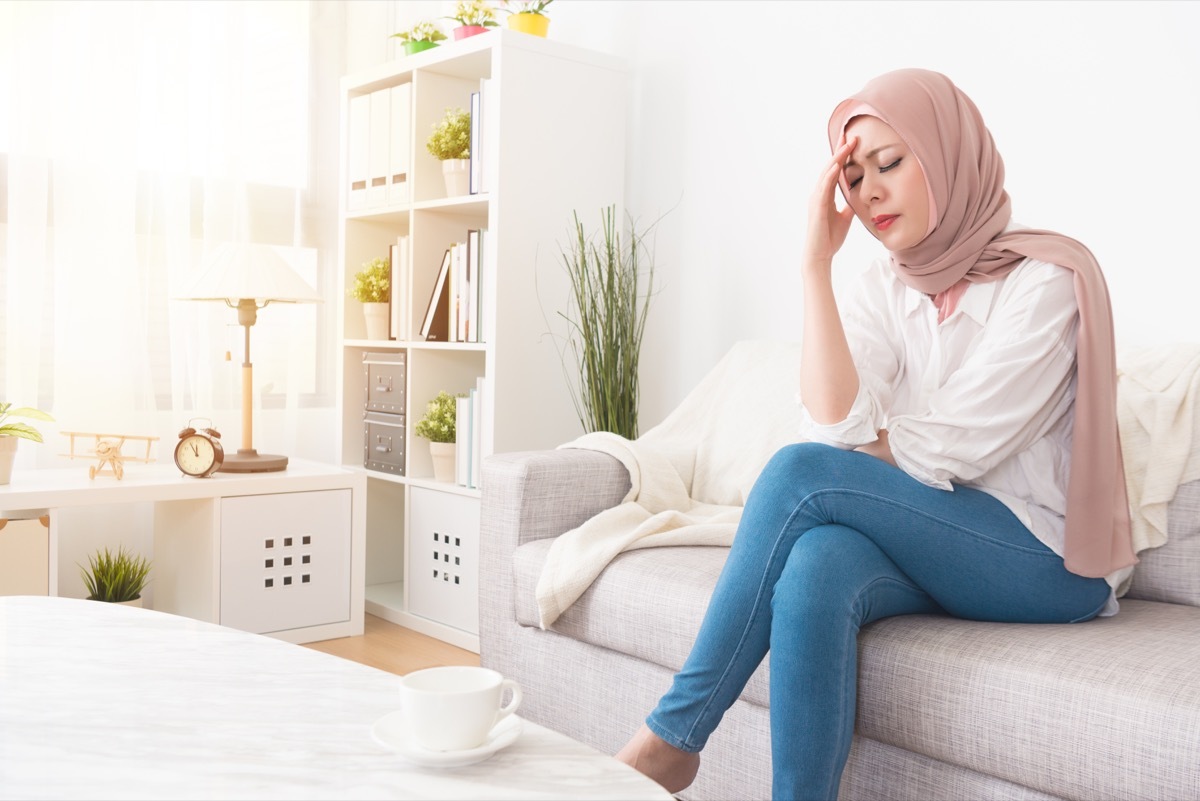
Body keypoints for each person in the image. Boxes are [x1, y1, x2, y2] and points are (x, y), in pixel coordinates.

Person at [614, 68, 1138, 801]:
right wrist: (814, 266)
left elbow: (954, 444)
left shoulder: (1045, 279)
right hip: (940, 540)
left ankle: (670, 738)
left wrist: (863, 455)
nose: (869, 193)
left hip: (1046, 559)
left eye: (890, 163)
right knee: (817, 562)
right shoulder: (885, 287)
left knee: (802, 477)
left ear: (950, 154)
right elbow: (836, 425)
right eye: (854, 178)